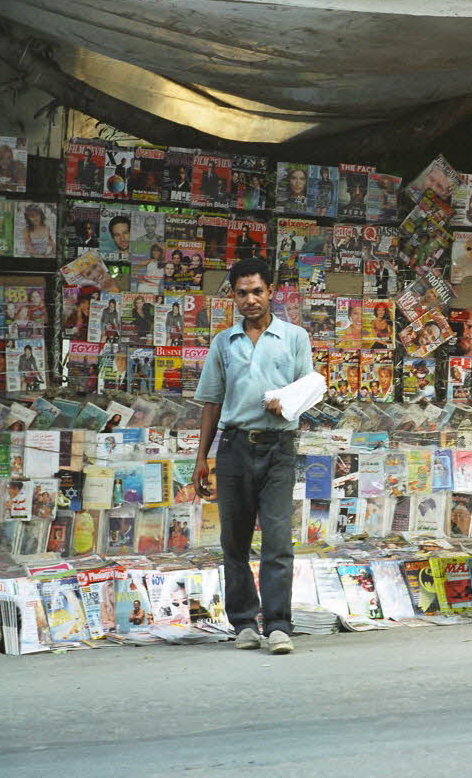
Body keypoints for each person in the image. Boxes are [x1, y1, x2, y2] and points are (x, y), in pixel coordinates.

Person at [193, 256, 315, 655]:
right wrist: (201, 459)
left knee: (278, 539)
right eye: (242, 293)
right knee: (235, 540)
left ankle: (278, 624)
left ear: (271, 293)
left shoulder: (295, 337)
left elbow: (309, 387)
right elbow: (211, 402)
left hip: (279, 446)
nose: (250, 300)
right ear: (233, 296)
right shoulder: (223, 342)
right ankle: (244, 622)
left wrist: (289, 403)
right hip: (234, 446)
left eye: (257, 291)